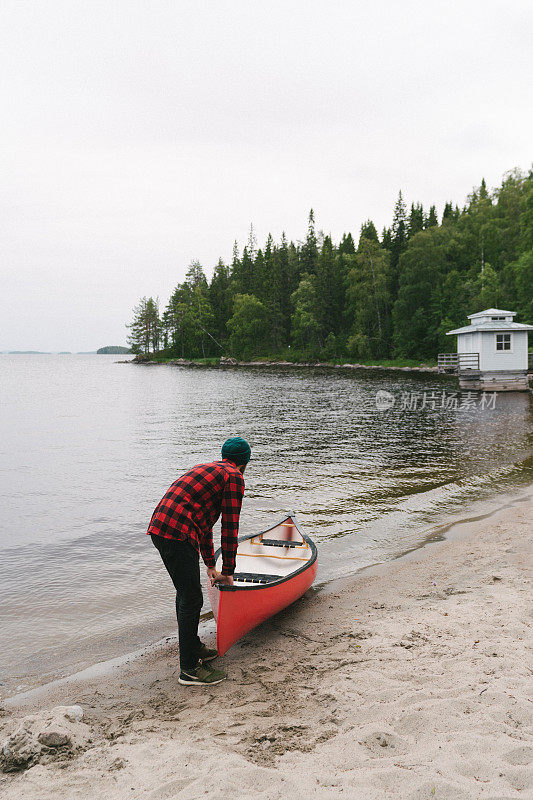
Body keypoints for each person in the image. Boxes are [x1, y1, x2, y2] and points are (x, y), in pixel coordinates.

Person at [148, 436, 251, 685]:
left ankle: (193, 648)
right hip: (177, 534)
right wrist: (229, 571)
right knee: (191, 597)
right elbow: (229, 527)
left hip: (160, 528)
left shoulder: (208, 469)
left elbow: (205, 524)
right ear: (245, 462)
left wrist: (210, 565)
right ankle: (189, 670)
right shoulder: (234, 477)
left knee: (186, 594)